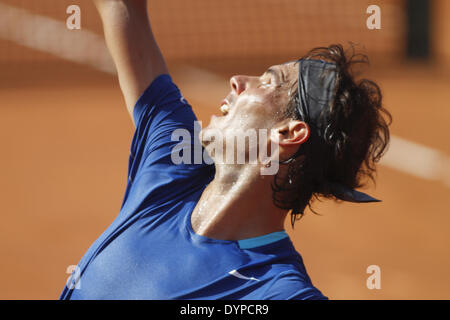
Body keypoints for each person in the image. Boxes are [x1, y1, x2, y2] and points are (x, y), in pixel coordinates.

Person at [60, 0, 391, 300]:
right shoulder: (171, 165)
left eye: (268, 81)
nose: (237, 80)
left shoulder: (276, 291)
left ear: (288, 134)